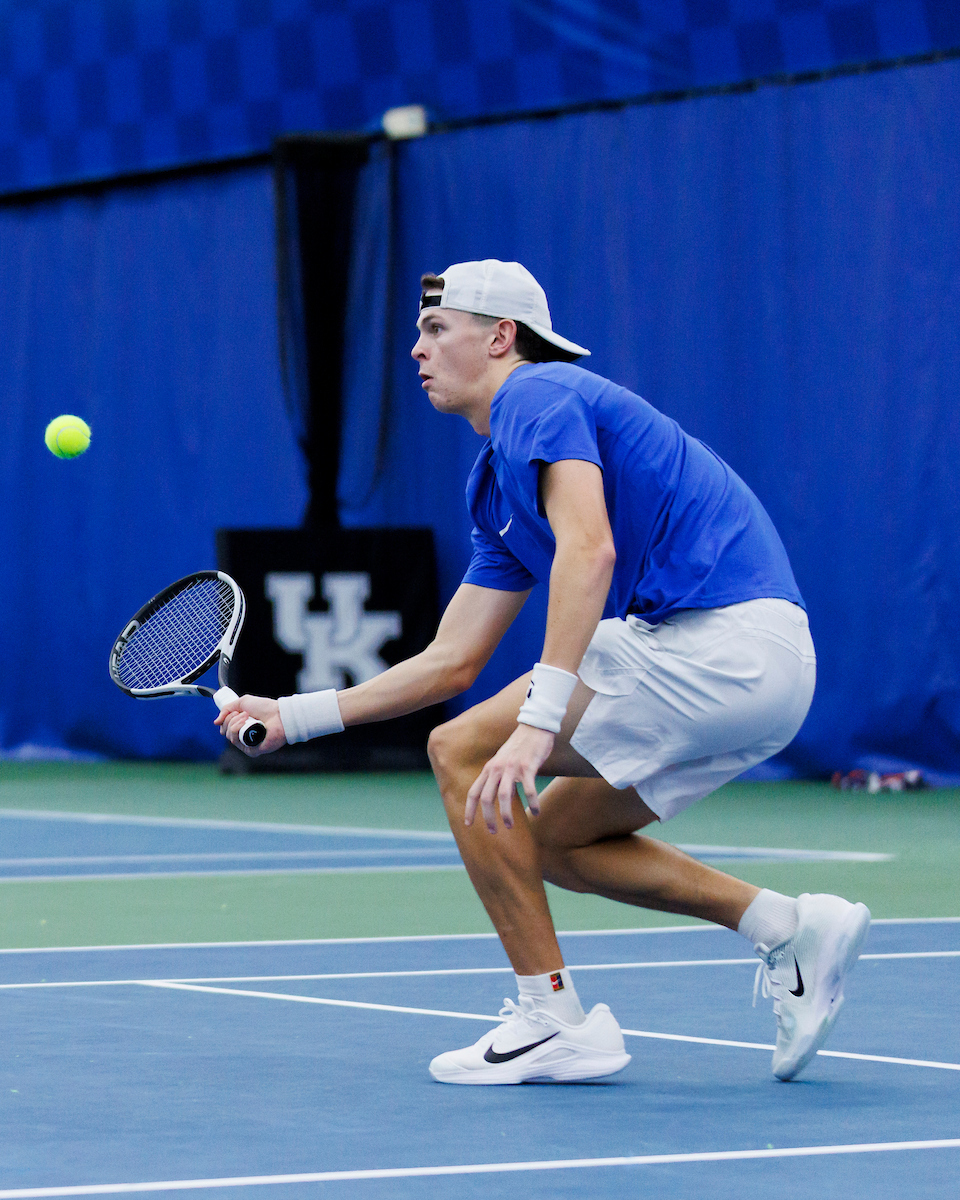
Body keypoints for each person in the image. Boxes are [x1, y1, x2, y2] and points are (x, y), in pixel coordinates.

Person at [217, 259, 870, 1086]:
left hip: (720, 643)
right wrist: (296, 716)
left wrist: (535, 724)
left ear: (501, 338)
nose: (416, 349)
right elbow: (451, 659)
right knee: (554, 841)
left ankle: (551, 1019)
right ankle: (788, 927)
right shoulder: (496, 486)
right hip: (761, 673)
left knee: (459, 751)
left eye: (435, 329)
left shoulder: (536, 392)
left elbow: (590, 552)